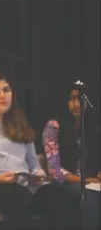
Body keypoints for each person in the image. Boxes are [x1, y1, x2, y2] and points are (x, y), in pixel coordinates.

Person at [0, 74, 72, 229]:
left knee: (57, 196)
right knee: (17, 197)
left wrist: (38, 176)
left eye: (6, 90)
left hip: (23, 187)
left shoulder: (20, 123)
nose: (2, 96)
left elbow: (34, 165)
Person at [42, 80, 101, 229]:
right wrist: (84, 181)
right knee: (90, 195)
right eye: (72, 98)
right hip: (66, 183)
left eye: (81, 98)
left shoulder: (95, 127)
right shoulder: (54, 126)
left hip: (92, 181)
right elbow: (54, 170)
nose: (76, 103)